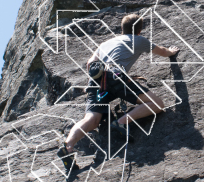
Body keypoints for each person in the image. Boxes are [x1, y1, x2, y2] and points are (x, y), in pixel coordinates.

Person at [63, 13, 179, 154]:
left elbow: (89, 64)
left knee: (92, 120)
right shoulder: (138, 40)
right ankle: (121, 122)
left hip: (95, 81)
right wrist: (171, 52)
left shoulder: (105, 44)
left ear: (122, 29)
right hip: (115, 76)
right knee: (157, 104)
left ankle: (68, 145)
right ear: (139, 30)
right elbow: (162, 52)